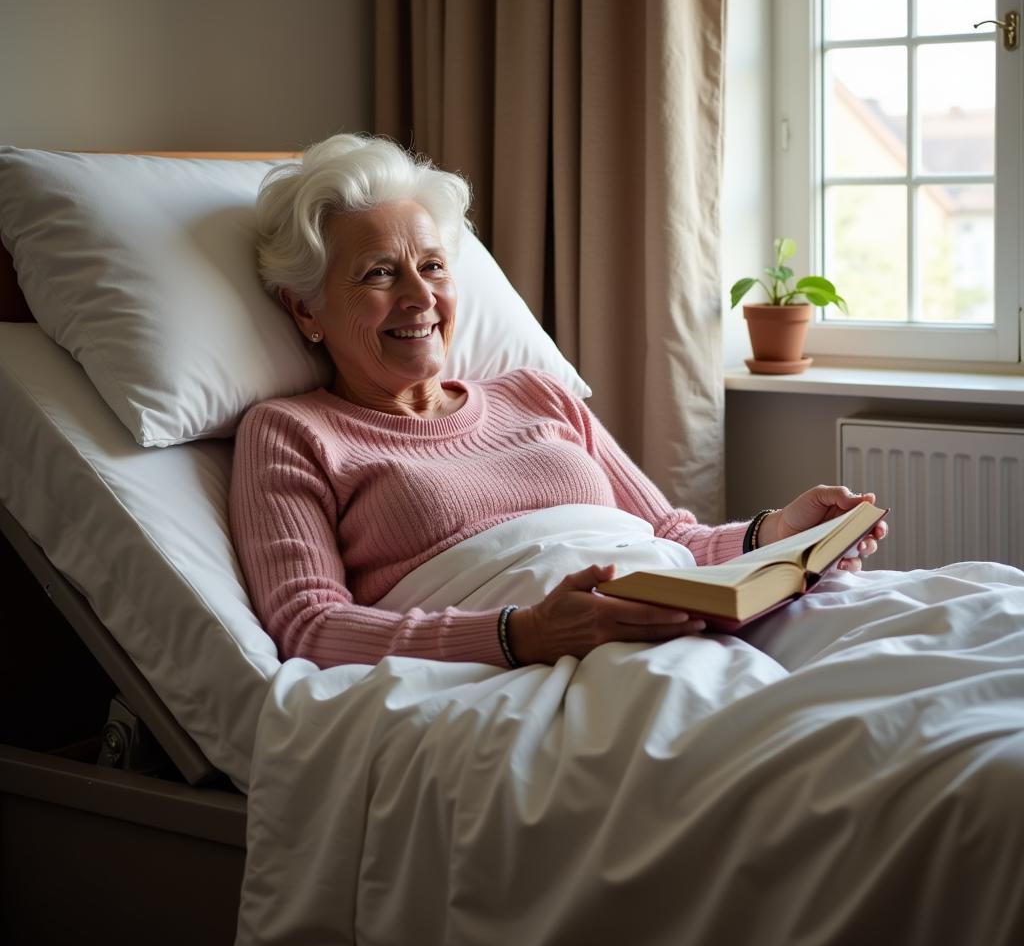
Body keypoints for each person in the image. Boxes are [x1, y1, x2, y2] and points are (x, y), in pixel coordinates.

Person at [229, 134, 887, 669]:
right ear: (304, 309)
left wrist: (778, 534)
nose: (420, 298)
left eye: (432, 266)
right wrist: (524, 635)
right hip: (553, 666)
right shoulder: (292, 433)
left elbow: (672, 540)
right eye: (379, 273)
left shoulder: (534, 392)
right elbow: (309, 627)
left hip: (677, 615)